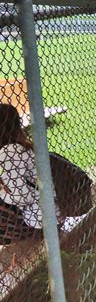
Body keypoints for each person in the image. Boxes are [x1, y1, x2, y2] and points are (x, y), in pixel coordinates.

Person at [0, 104, 46, 245]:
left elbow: (24, 197)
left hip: (35, 221)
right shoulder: (18, 147)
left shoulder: (9, 152)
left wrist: (1, 191)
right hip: (42, 215)